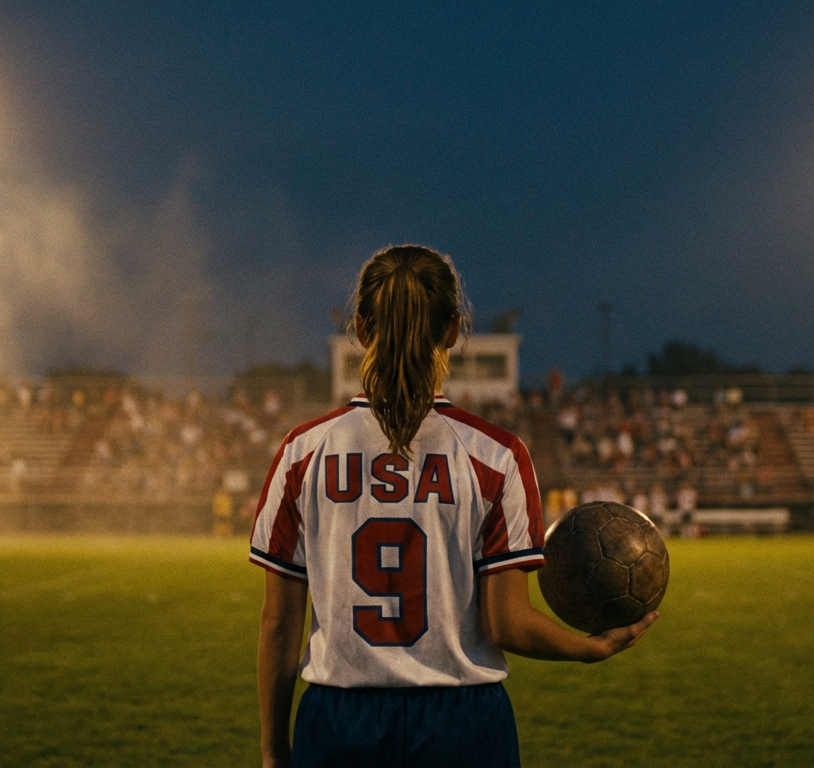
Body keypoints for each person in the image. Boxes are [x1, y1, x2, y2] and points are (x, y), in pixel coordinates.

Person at [251, 246, 657, 768]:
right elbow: (506, 624)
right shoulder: (495, 455)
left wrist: (272, 751)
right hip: (463, 723)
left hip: (339, 719)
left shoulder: (302, 452)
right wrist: (588, 648)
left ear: (360, 328)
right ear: (451, 331)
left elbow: (279, 626)